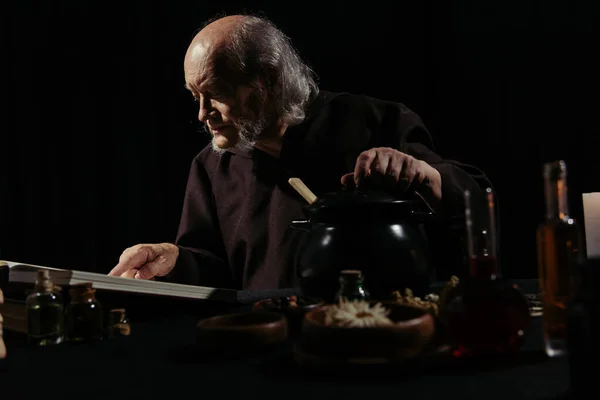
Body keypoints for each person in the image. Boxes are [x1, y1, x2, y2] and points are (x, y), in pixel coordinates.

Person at [108, 14, 493, 290]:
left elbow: (474, 204)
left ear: (268, 81)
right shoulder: (211, 168)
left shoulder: (375, 121)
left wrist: (424, 175)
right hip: (265, 348)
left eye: (217, 94)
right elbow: (214, 269)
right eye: (196, 96)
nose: (202, 113)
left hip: (376, 333)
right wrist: (174, 260)